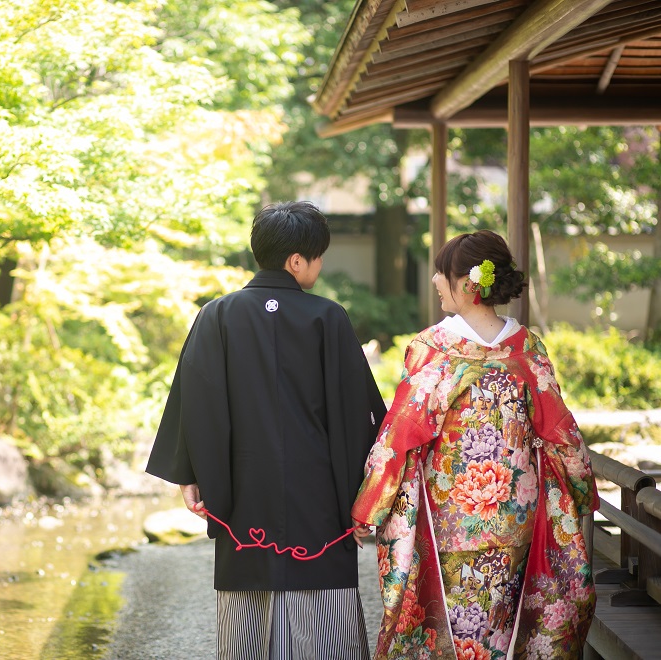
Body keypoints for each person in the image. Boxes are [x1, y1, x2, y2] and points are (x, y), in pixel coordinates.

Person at [146, 200, 386, 659]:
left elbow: (194, 403)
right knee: (325, 611)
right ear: (297, 261)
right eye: (318, 256)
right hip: (318, 491)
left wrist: (190, 473)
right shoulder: (327, 317)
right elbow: (358, 415)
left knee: (247, 612)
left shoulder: (215, 316)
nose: (319, 265)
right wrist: (363, 495)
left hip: (242, 487)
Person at [351, 230, 598, 659]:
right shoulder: (526, 348)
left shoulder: (435, 349)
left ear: (467, 284)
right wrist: (580, 494)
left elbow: (399, 436)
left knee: (455, 620)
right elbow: (563, 434)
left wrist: (370, 505)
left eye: (441, 273)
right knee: (504, 616)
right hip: (514, 514)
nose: (433, 281)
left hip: (453, 517)